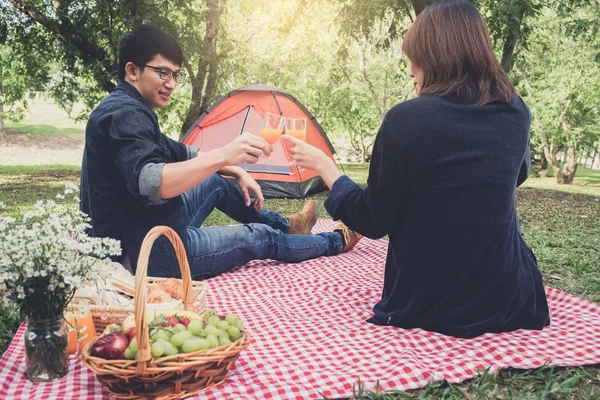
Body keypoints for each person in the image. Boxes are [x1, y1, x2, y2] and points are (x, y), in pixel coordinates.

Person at [282, 0, 550, 338]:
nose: (410, 70)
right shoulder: (516, 111)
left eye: (413, 58)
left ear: (434, 58)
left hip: (433, 302)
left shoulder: (406, 120)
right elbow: (515, 174)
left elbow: (373, 220)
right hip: (513, 297)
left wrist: (327, 168)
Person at [80, 24, 362, 279]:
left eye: (176, 75)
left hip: (151, 225)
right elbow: (151, 183)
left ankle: (290, 226)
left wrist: (232, 168)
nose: (171, 84)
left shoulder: (128, 107)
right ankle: (335, 240)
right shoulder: (126, 114)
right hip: (149, 254)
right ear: (132, 71)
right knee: (261, 238)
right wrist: (225, 155)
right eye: (162, 73)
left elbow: (181, 151)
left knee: (214, 180)